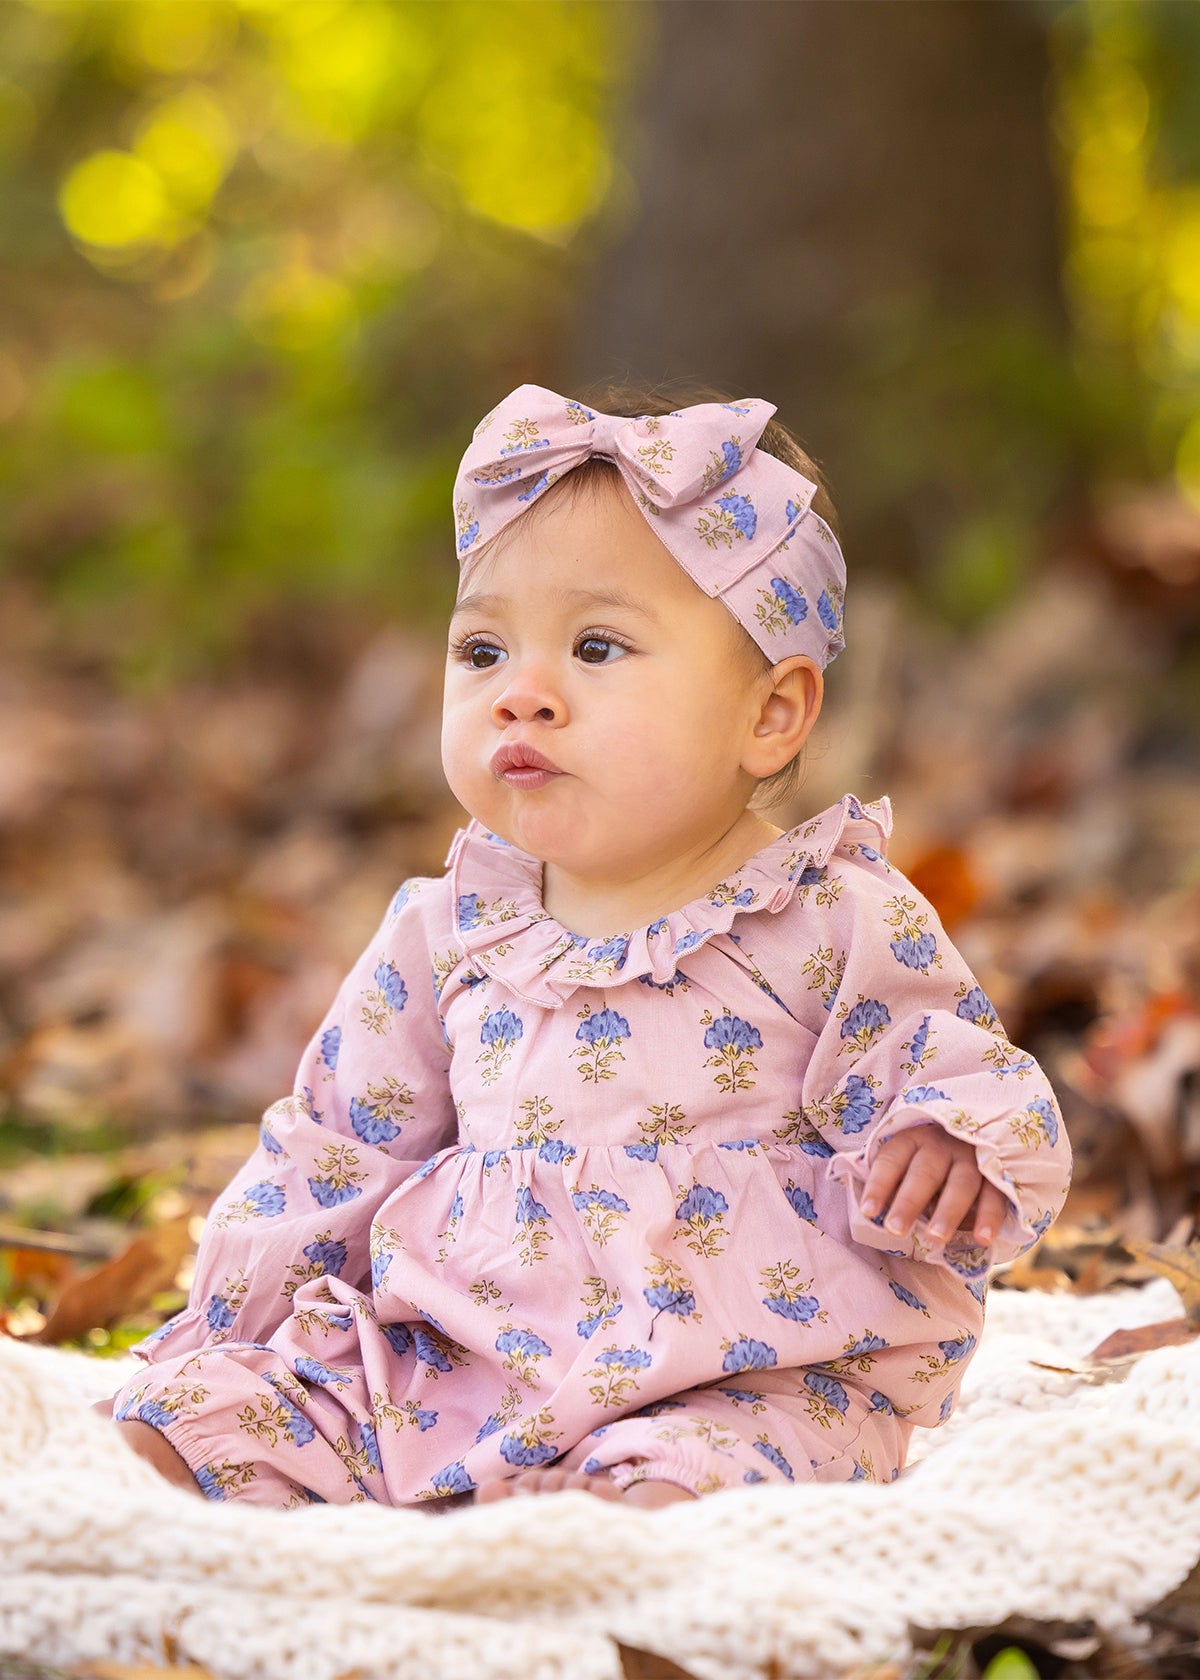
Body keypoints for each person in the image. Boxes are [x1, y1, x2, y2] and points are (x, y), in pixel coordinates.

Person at [101, 381, 1071, 1509]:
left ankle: (603, 1566)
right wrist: (228, 1329)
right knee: (195, 1427)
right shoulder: (448, 929)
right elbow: (333, 1151)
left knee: (676, 1501)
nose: (525, 696)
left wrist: (950, 1142)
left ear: (770, 714)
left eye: (598, 646)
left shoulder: (828, 915)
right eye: (481, 652)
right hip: (461, 1354)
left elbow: (952, 1065)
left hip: (741, 1366)